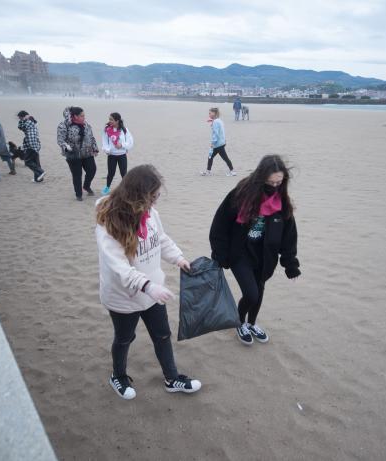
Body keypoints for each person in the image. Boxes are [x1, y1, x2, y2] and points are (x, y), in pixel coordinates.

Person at [96, 164, 201, 399]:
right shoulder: (108, 223)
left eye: (156, 197)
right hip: (124, 296)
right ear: (135, 197)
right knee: (124, 338)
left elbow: (160, 239)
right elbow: (119, 266)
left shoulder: (150, 214)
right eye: (151, 198)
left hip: (153, 292)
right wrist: (148, 286)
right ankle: (118, 376)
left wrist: (179, 258)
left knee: (162, 335)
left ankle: (172, 378)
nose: (154, 203)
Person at [209, 155, 301, 345]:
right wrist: (220, 254)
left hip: (266, 255)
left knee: (259, 291)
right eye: (270, 182)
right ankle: (239, 322)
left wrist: (290, 264)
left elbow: (289, 236)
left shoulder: (282, 202)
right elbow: (220, 224)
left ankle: (251, 323)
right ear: (261, 178)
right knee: (251, 293)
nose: (274, 186)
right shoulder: (241, 194)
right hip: (240, 253)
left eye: (278, 182)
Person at [57, 106, 99, 201]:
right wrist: (66, 146)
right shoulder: (64, 125)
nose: (84, 117)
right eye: (82, 116)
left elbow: (91, 137)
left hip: (87, 153)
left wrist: (95, 148)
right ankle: (78, 194)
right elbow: (60, 140)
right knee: (77, 175)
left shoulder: (86, 124)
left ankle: (86, 186)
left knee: (92, 170)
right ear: (75, 116)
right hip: (73, 154)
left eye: (84, 115)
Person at [101, 112, 134, 195]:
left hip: (122, 155)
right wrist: (107, 150)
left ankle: (126, 189)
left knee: (123, 173)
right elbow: (104, 142)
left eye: (111, 119)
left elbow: (130, 142)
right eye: (109, 119)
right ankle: (107, 187)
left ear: (117, 120)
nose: (110, 121)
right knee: (111, 173)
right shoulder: (106, 130)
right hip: (112, 155)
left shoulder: (124, 130)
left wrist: (122, 145)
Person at [201, 108, 236, 177]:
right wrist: (212, 123)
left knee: (213, 157)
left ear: (214, 113)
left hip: (218, 144)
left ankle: (232, 171)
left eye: (210, 113)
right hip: (221, 142)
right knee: (214, 157)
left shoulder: (216, 122)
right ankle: (209, 171)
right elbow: (221, 131)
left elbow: (216, 134)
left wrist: (213, 143)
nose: (209, 114)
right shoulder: (219, 121)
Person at [17, 110, 45, 183]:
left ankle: (41, 172)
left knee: (27, 161)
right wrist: (25, 119)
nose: (19, 120)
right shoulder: (31, 121)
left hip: (31, 145)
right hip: (36, 144)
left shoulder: (28, 122)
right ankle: (38, 178)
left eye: (20, 118)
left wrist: (24, 119)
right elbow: (20, 127)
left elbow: (20, 127)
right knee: (36, 162)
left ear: (23, 117)